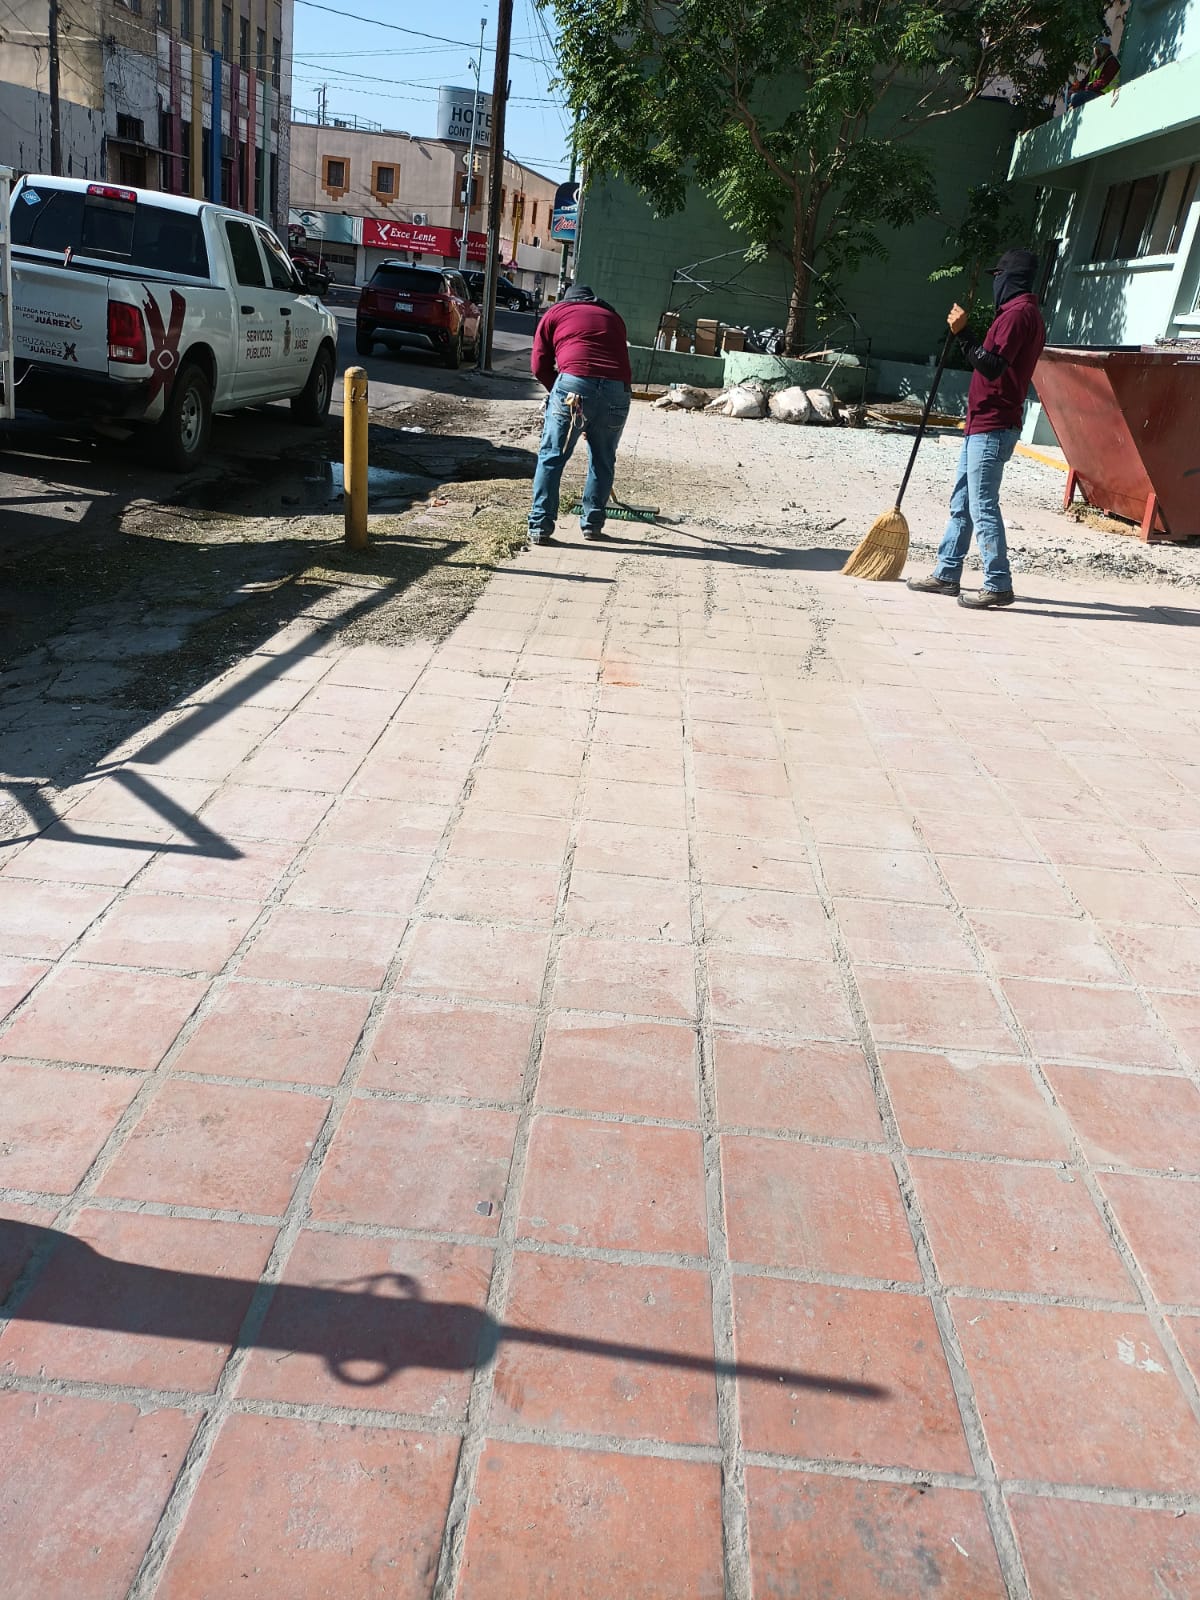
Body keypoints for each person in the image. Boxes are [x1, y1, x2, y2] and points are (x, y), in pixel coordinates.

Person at [908, 248, 1046, 610]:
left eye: (998, 276)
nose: (995, 283)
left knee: (982, 505)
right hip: (983, 422)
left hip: (993, 424)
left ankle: (998, 583)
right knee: (962, 503)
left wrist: (963, 333)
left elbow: (992, 366)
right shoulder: (1020, 314)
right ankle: (946, 573)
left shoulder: (1017, 316)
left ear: (1010, 278)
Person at [528, 284, 633, 544]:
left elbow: (539, 365)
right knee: (603, 458)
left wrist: (562, 397)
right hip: (617, 391)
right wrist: (593, 415)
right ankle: (593, 525)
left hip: (574, 386)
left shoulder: (555, 313)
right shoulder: (613, 316)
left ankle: (540, 526)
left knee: (552, 456)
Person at [1066, 38, 1120, 108]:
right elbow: (1086, 79)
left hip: (1105, 94)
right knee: (1071, 95)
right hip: (1092, 91)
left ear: (1107, 48)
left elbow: (1103, 82)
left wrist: (1085, 88)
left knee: (1076, 97)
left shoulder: (1112, 61)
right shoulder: (1096, 63)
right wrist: (1077, 86)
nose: (1096, 51)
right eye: (1095, 48)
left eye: (1099, 48)